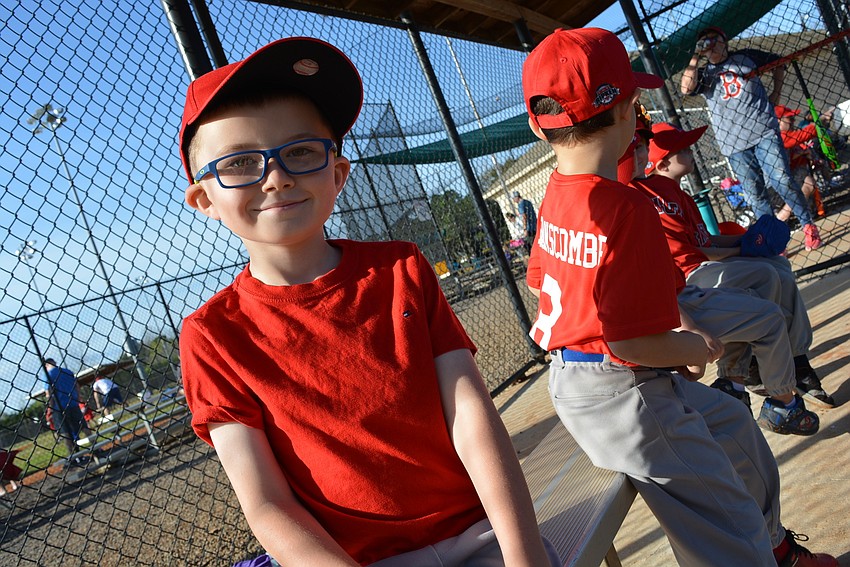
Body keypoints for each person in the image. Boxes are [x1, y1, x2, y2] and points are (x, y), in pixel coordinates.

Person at [177, 37, 557, 567]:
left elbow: (471, 415)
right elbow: (266, 504)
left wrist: (524, 556)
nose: (277, 176)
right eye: (240, 163)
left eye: (302, 151)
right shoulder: (213, 334)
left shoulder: (399, 266)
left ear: (338, 174)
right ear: (205, 199)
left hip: (478, 534)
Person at [523, 27, 836, 565]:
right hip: (619, 393)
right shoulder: (627, 208)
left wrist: (673, 335)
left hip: (591, 377)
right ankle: (758, 553)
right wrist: (700, 349)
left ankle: (778, 551)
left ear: (537, 125)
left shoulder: (557, 193)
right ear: (627, 108)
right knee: (723, 524)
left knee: (735, 426)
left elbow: (543, 282)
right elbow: (631, 343)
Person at [641, 121, 836, 409]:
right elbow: (694, 252)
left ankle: (795, 359)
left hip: (704, 268)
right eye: (682, 149)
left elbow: (706, 239)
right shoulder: (656, 194)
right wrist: (742, 250)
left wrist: (745, 241)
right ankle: (754, 367)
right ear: (663, 162)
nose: (691, 151)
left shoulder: (679, 193)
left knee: (777, 266)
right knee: (765, 274)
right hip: (690, 277)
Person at [681, 26, 823, 251]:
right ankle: (774, 242)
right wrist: (696, 56)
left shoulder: (745, 57)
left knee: (782, 179)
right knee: (756, 195)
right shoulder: (705, 73)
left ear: (725, 40)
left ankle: (808, 225)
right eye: (705, 41)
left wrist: (776, 94)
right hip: (734, 144)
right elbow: (686, 88)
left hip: (763, 131)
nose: (711, 44)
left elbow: (778, 63)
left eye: (715, 39)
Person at [775, 104, 826, 221]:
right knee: (807, 182)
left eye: (793, 119)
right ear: (778, 121)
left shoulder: (787, 135)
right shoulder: (779, 136)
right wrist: (821, 120)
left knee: (808, 181)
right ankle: (780, 220)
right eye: (789, 119)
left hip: (784, 180)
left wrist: (804, 153)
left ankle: (802, 215)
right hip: (774, 187)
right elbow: (805, 134)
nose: (793, 121)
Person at [42, 358, 93, 456]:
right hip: (73, 404)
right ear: (54, 363)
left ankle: (72, 456)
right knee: (84, 426)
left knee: (65, 432)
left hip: (59, 407)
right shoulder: (67, 372)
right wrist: (77, 398)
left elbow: (49, 393)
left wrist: (51, 408)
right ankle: (96, 447)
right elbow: (77, 385)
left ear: (46, 365)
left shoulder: (48, 375)